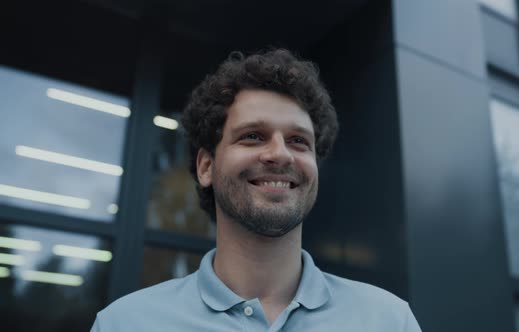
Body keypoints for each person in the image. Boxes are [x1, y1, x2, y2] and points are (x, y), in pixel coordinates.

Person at [90, 49, 421, 332]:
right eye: (253, 136)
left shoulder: (389, 321)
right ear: (206, 167)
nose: (280, 153)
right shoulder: (125, 324)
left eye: (298, 141)